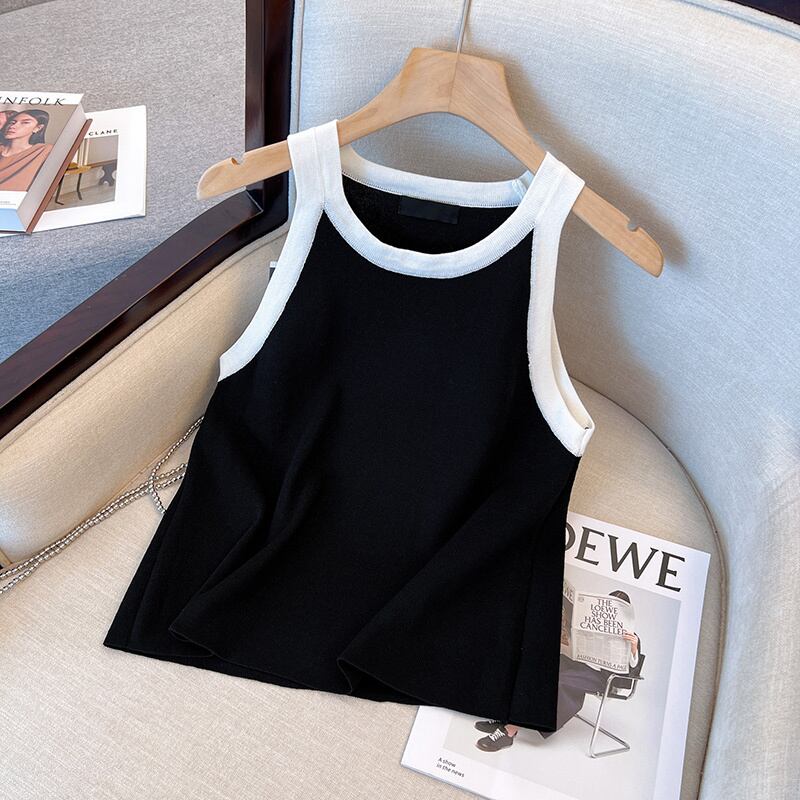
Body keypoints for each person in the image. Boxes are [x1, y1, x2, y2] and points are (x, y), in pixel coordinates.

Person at [475, 590, 642, 751]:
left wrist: (634, 649)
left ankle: (509, 731)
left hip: (600, 677)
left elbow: (631, 671)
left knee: (558, 682)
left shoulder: (632, 637)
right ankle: (508, 716)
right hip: (578, 666)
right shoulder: (592, 623)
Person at [0, 108, 53, 191]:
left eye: (25, 122)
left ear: (38, 128)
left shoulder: (43, 150)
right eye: (12, 122)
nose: (13, 126)